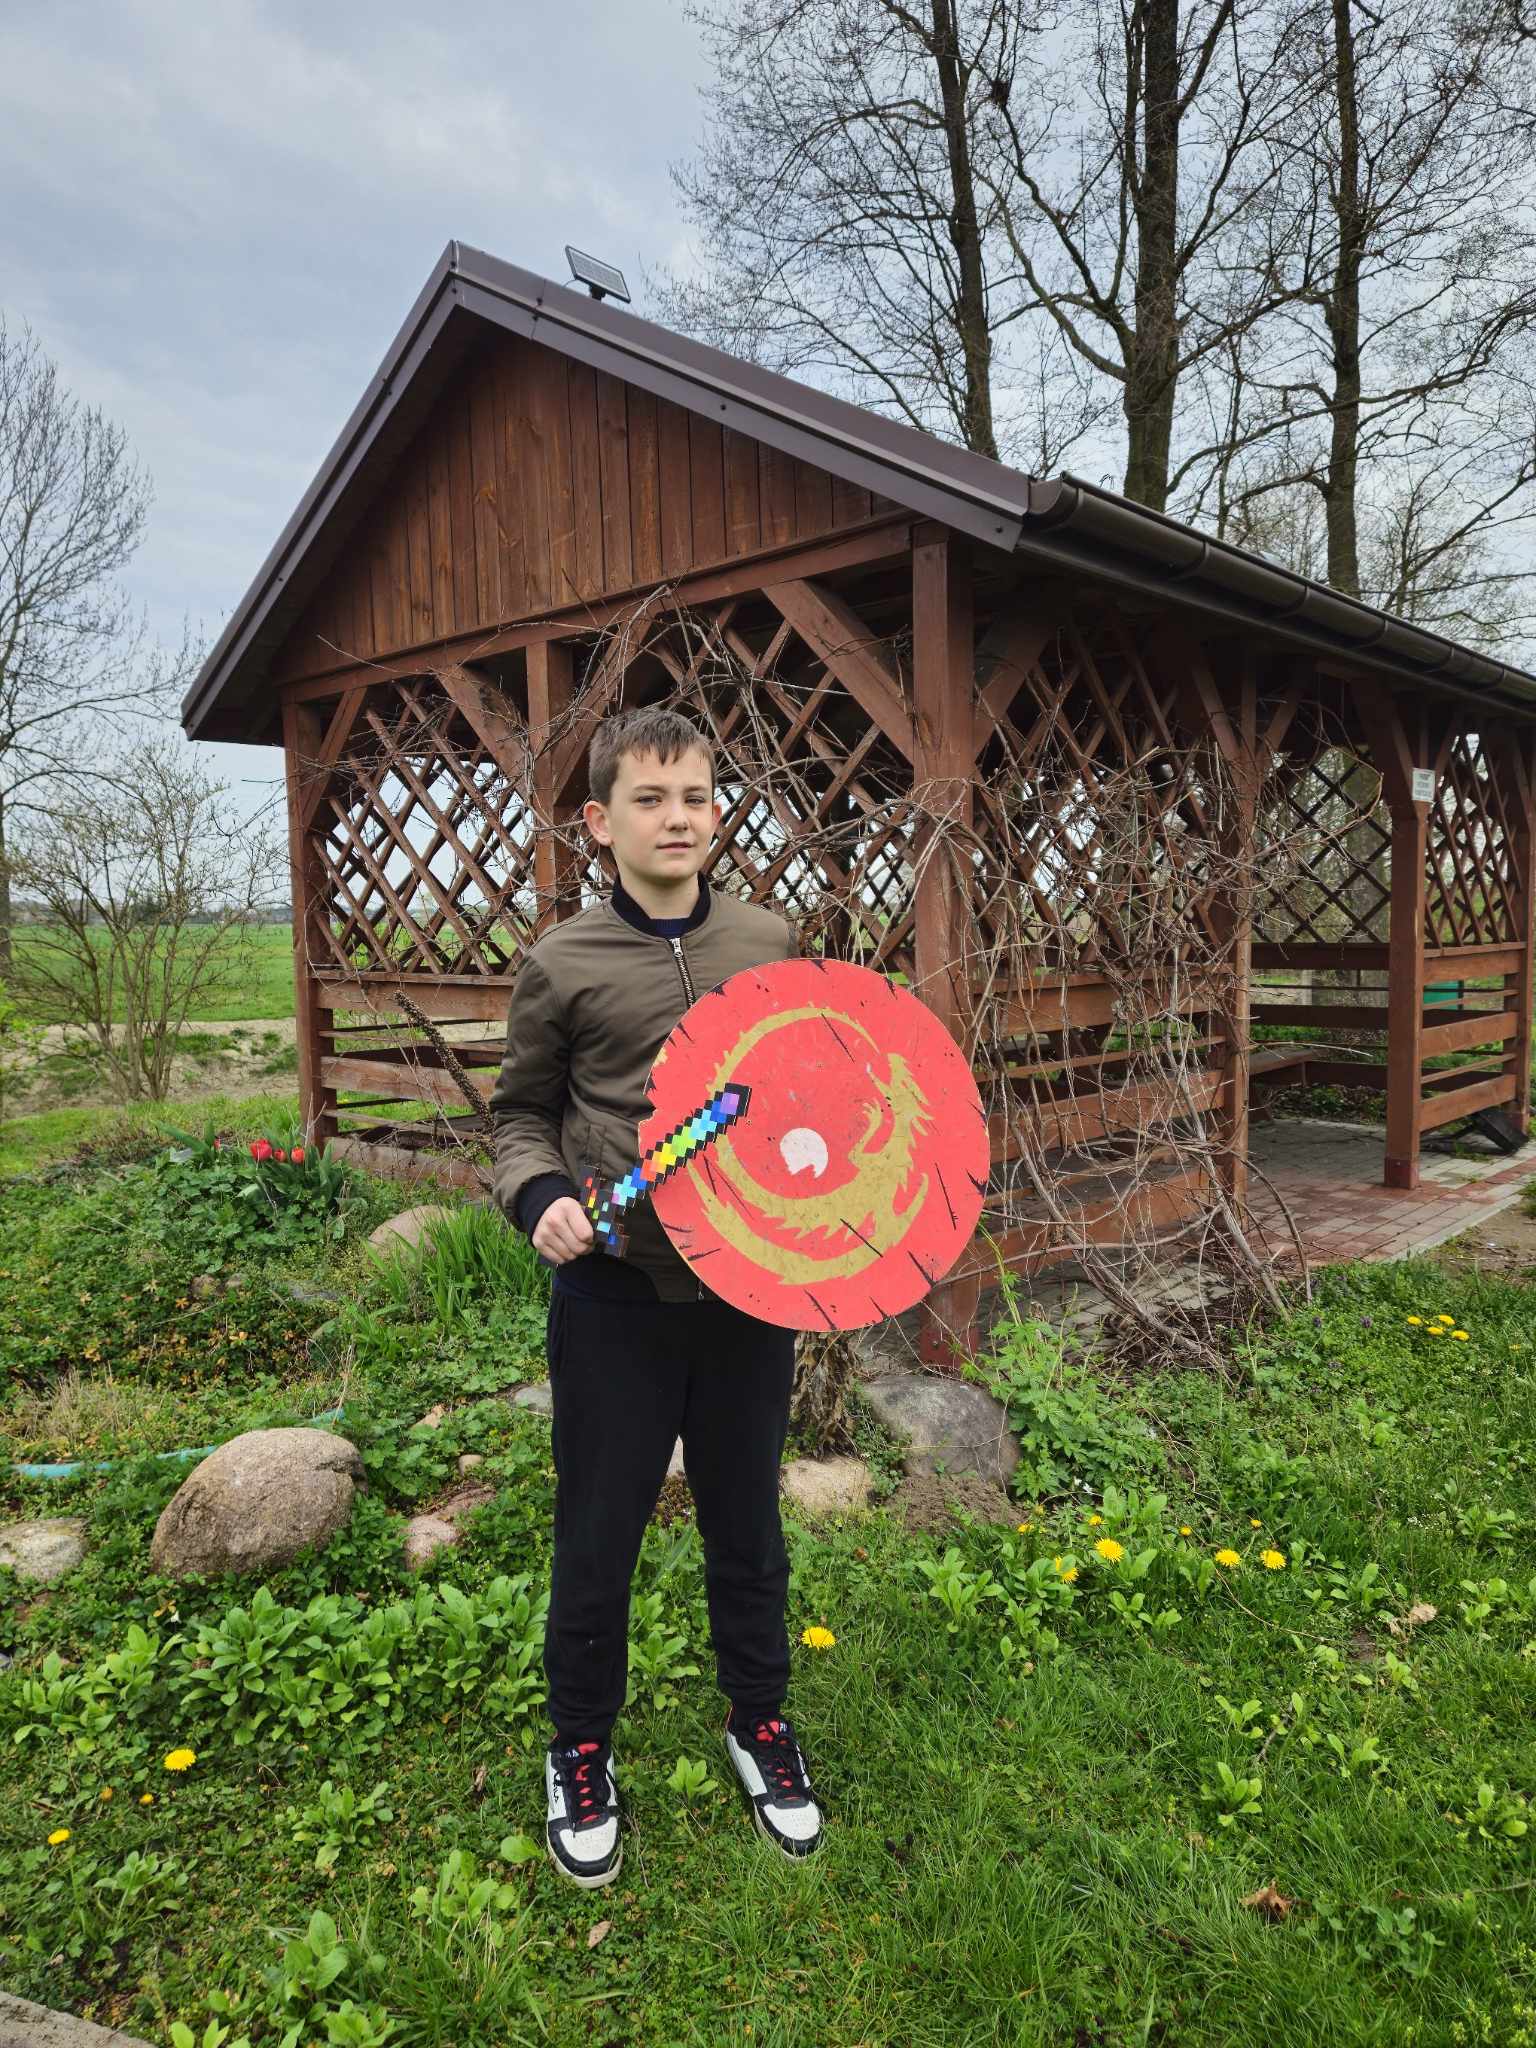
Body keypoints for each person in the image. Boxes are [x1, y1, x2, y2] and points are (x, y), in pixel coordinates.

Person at [489, 705, 823, 1890]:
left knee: (748, 1524)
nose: (677, 818)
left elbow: (808, 1090)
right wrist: (540, 1196)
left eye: (695, 797)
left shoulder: (769, 941)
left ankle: (760, 1719)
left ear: (716, 811)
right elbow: (519, 1114)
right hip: (615, 1297)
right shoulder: (563, 962)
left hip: (745, 1296)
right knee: (599, 1534)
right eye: (650, 798)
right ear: (600, 820)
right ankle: (580, 1745)